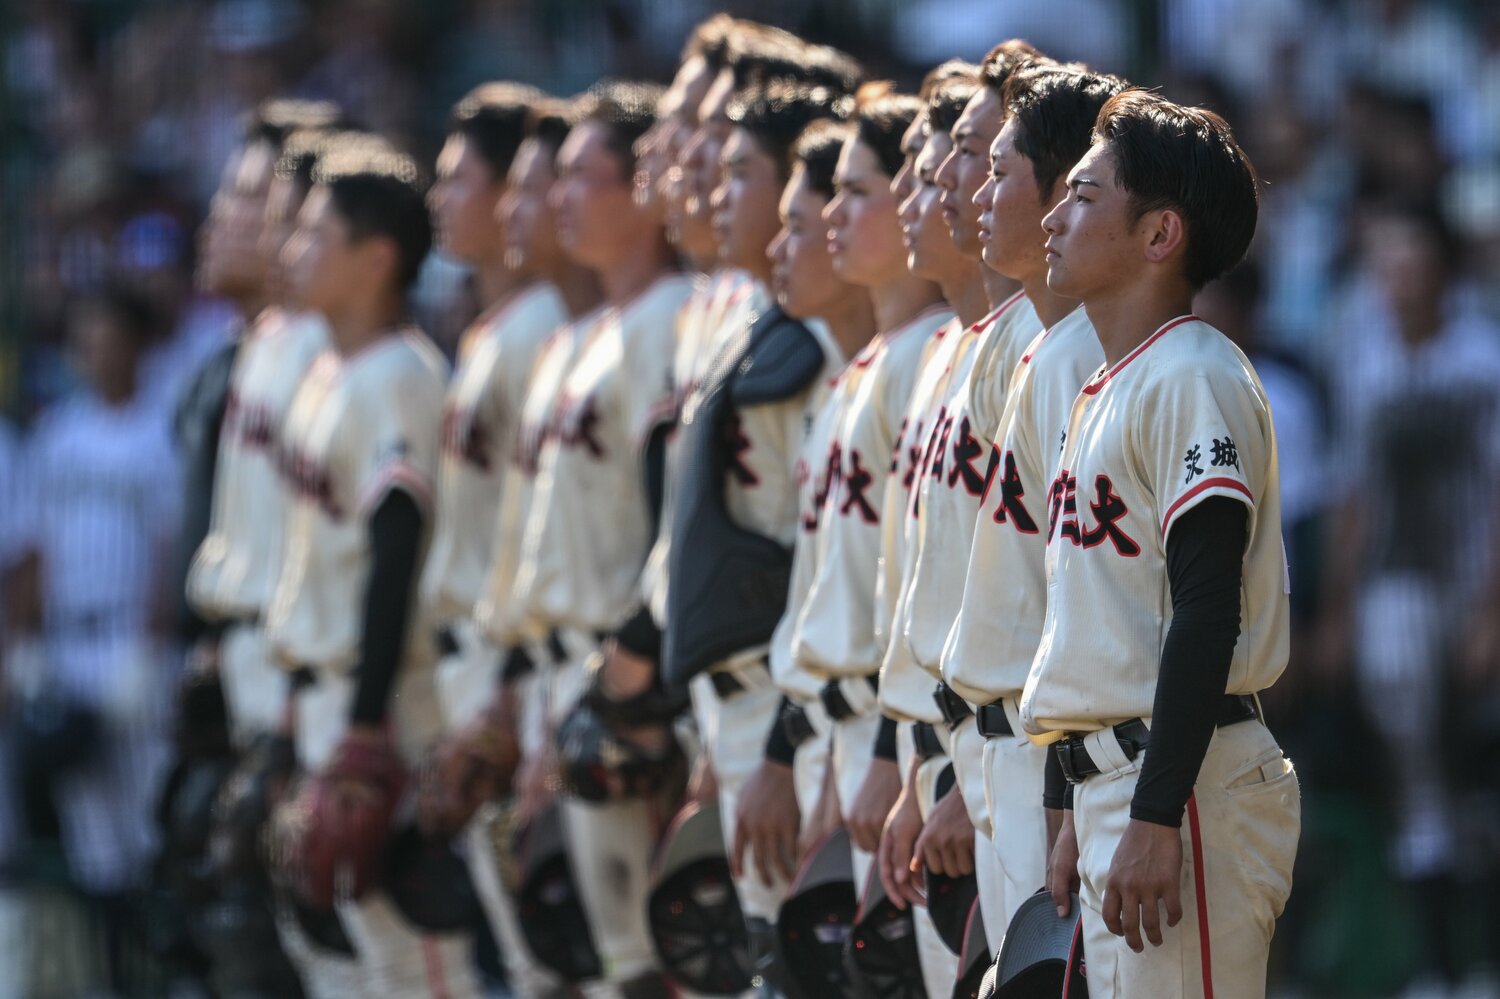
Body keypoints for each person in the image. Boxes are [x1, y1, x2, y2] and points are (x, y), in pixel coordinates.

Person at [1020, 89, 1299, 998]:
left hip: (1186, 787)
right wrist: (1074, 795)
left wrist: (1154, 810)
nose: (1055, 216)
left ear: (1158, 235)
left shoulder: (1192, 372)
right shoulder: (1107, 385)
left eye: (1087, 196)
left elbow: (1207, 606)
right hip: (1127, 781)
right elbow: (1098, 623)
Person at [265, 138, 480, 998]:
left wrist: (361, 729)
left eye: (317, 235)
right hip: (327, 698)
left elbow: (396, 551)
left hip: (386, 711)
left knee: (415, 967)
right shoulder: (330, 369)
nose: (293, 252)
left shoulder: (399, 376)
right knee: (350, 971)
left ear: (377, 257)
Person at [505, 80, 693, 999]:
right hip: (564, 671)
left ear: (644, 193)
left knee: (646, 965)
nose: (558, 198)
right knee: (593, 968)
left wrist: (633, 681)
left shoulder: (670, 319)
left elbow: (671, 516)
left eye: (584, 176)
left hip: (627, 678)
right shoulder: (585, 334)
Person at [939, 62, 1127, 943]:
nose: (964, 185)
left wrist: (1055, 789)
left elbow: (1081, 600)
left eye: (995, 165)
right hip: (999, 751)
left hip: (1051, 757)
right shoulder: (1030, 346)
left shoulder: (1088, 355)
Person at [790, 87, 952, 893]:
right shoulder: (867, 368)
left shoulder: (931, 356)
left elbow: (925, 596)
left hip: (906, 740)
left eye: (858, 194)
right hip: (848, 730)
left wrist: (899, 759)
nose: (830, 218)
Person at [12, 287, 182, 995]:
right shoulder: (58, 435)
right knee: (94, 847)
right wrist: (21, 645)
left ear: (138, 343)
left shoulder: (159, 431)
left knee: (153, 834)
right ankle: (115, 981)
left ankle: (168, 978)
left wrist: (148, 646)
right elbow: (31, 550)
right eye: (84, 338)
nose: (95, 351)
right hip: (71, 643)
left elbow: (172, 549)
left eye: (107, 335)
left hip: (134, 643)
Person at [763, 118, 877, 845]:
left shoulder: (904, 373)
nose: (783, 248)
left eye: (796, 225)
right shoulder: (840, 381)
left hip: (882, 739)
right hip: (822, 727)